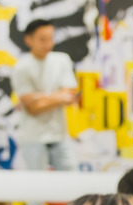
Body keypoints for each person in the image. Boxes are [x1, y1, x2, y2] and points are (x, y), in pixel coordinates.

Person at [11, 19, 79, 171]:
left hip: (60, 135)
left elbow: (69, 96)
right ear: (28, 40)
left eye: (51, 38)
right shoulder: (22, 67)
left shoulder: (62, 60)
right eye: (42, 39)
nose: (48, 44)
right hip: (33, 138)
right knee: (37, 187)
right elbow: (32, 108)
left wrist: (38, 98)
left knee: (71, 180)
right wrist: (58, 97)